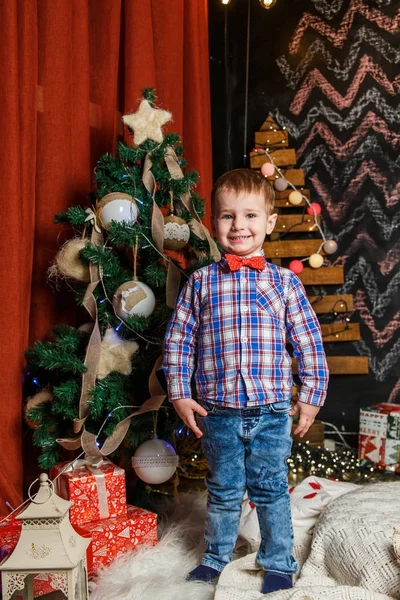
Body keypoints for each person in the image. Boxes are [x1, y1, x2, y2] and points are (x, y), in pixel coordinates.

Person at [163, 168, 329, 594]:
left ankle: (278, 561)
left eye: (251, 216)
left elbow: (308, 343)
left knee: (271, 489)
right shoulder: (200, 283)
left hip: (272, 410)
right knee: (221, 491)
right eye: (227, 217)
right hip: (218, 411)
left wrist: (310, 398)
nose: (239, 226)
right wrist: (180, 394)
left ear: (269, 223)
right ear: (212, 222)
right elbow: (179, 341)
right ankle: (216, 558)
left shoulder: (285, 283)